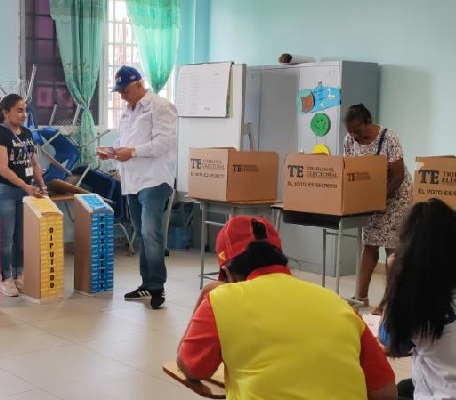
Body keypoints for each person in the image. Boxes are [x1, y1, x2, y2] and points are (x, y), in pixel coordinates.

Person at [176, 215, 398, 400]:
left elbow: (191, 367)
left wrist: (205, 296)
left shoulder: (219, 301)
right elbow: (386, 392)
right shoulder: (339, 305)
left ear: (229, 273)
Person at [97, 65, 177, 309]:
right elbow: (125, 141)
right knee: (142, 234)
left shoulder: (161, 107)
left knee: (151, 232)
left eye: (126, 90)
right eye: (119, 92)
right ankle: (147, 284)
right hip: (131, 182)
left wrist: (132, 152)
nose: (122, 96)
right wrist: (111, 152)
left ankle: (157, 288)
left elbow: (163, 142)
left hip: (155, 179)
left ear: (140, 85)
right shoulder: (127, 111)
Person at [382, 198, 456, 399]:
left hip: (445, 392)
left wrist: (394, 276)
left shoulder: (419, 299)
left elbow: (390, 342)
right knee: (406, 386)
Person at [343, 103, 413, 314]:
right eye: (351, 132)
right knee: (370, 245)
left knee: (393, 250)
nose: (355, 136)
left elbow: (398, 175)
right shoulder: (349, 140)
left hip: (395, 197)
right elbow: (349, 169)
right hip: (370, 200)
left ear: (368, 122)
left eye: (358, 130)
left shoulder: (389, 138)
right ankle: (360, 295)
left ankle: (389, 302)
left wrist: (379, 199)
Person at [0, 93, 47, 297]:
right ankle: (5, 277)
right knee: (5, 238)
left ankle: (19, 274)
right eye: (19, 110)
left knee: (21, 238)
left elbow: (34, 162)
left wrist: (41, 184)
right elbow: (2, 168)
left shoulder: (27, 134)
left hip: (26, 192)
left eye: (25, 110)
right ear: (6, 112)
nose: (23, 114)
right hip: (3, 191)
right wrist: (25, 186)